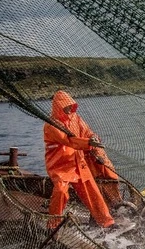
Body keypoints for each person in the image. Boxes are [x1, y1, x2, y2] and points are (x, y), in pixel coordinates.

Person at [44, 90, 114, 228]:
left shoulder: (76, 118)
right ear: (58, 107)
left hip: (78, 162)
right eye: (66, 106)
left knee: (92, 192)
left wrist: (93, 137)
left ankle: (107, 222)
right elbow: (69, 141)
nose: (69, 109)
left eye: (71, 105)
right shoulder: (51, 125)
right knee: (60, 191)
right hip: (60, 165)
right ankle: (53, 225)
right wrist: (88, 143)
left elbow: (87, 132)